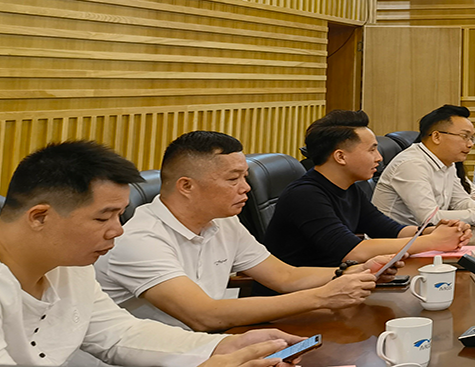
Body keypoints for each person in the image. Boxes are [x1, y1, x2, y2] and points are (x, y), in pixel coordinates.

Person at [0, 140, 299, 367]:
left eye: (120, 214)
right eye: (104, 217)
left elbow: (120, 334)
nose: (118, 230)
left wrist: (218, 348)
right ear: (40, 216)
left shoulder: (68, 266)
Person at [97, 131, 392, 331]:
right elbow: (203, 316)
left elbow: (286, 276)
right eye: (233, 179)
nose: (246, 188)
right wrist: (323, 297)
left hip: (205, 345)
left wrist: (354, 271)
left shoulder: (224, 221)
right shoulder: (139, 239)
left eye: (245, 177)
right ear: (186, 186)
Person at [264, 110, 469, 269]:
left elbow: (392, 230)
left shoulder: (350, 189)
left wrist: (435, 231)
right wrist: (432, 241)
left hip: (341, 284)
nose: (379, 158)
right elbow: (353, 251)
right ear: (340, 156)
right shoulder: (305, 195)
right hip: (300, 295)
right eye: (372, 150)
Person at [374, 104, 475, 225]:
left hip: (427, 238)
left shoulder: (447, 163)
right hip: (395, 243)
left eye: (471, 138)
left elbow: (460, 202)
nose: (470, 144)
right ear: (437, 136)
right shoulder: (411, 164)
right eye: (464, 136)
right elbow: (430, 218)